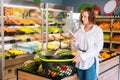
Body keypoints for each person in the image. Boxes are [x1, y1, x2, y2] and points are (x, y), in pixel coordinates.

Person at [70, 7, 104, 80]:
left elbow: (97, 47)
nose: (82, 19)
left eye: (85, 16)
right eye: (82, 16)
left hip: (90, 60)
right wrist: (75, 40)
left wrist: (83, 57)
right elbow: (78, 46)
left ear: (91, 17)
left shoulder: (97, 30)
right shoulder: (80, 30)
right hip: (80, 61)